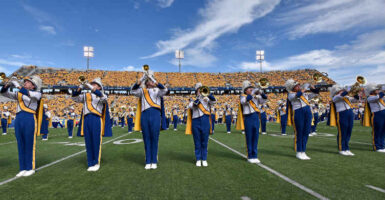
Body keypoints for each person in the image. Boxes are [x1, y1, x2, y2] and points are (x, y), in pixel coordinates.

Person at [0, 75, 43, 177]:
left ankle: (30, 167)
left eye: (28, 82)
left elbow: (28, 93)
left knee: (29, 144)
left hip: (29, 118)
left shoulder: (37, 93)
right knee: (20, 144)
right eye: (25, 82)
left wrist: (18, 85)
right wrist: (7, 86)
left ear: (33, 86)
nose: (25, 83)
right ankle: (22, 168)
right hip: (19, 119)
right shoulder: (19, 93)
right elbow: (3, 92)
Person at [72, 77, 112, 172]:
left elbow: (103, 98)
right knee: (88, 142)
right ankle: (90, 162)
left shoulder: (102, 94)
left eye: (95, 84)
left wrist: (89, 85)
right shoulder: (86, 95)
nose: (93, 85)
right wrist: (81, 86)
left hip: (96, 118)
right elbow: (74, 97)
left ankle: (96, 162)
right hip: (86, 119)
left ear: (99, 87)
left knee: (96, 141)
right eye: (92, 83)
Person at [132, 67, 167, 170]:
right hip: (145, 115)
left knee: (154, 139)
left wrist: (154, 79)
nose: (151, 81)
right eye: (149, 80)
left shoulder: (157, 90)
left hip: (156, 115)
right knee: (146, 138)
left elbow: (165, 90)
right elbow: (133, 90)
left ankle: (154, 160)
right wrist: (143, 78)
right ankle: (148, 161)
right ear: (146, 82)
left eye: (151, 80)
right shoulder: (142, 91)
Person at [285, 79, 319, 160]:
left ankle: (303, 151)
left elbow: (315, 93)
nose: (299, 86)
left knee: (306, 132)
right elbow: (298, 95)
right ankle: (298, 151)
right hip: (298, 113)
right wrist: (305, 88)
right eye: (297, 86)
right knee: (299, 132)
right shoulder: (290, 94)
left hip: (307, 113)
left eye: (299, 85)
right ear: (293, 88)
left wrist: (312, 87)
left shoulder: (305, 94)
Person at [186, 83, 216, 167]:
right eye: (199, 89)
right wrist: (199, 98)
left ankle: (204, 159)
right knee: (197, 141)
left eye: (201, 89)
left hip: (205, 120)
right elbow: (192, 106)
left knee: (204, 141)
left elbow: (214, 101)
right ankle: (198, 158)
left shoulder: (207, 99)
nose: (200, 90)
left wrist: (208, 96)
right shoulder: (193, 100)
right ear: (196, 91)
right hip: (196, 121)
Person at [238, 80, 267, 164]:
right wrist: (253, 94)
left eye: (252, 88)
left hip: (256, 117)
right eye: (249, 88)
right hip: (248, 117)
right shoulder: (243, 96)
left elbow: (264, 100)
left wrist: (261, 93)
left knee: (255, 137)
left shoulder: (255, 96)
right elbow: (244, 101)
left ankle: (255, 155)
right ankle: (250, 155)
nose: (251, 89)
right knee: (249, 137)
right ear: (245, 90)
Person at [329, 84, 360, 156]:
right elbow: (341, 96)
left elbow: (355, 99)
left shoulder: (346, 97)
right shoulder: (336, 97)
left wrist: (355, 92)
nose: (342, 91)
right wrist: (348, 90)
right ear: (337, 91)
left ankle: (346, 148)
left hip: (349, 113)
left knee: (349, 131)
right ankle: (341, 149)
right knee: (342, 132)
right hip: (342, 114)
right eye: (340, 90)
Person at [363, 83, 385, 152]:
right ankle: (377, 147)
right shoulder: (370, 97)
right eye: (376, 90)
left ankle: (382, 146)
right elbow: (379, 96)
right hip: (377, 114)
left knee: (383, 131)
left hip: (383, 113)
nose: (377, 90)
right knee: (377, 131)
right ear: (371, 91)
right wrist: (383, 91)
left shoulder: (377, 96)